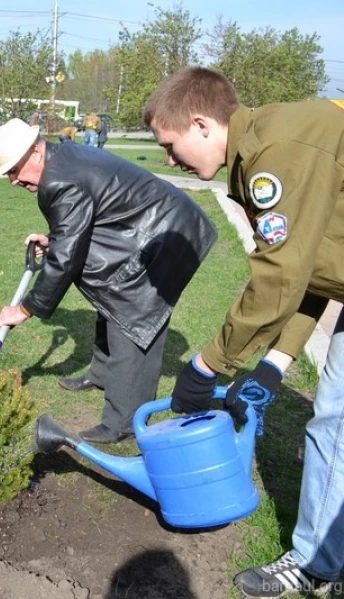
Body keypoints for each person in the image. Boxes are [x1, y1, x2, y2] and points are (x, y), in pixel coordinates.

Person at [145, 67, 344, 598]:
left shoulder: (279, 151)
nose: (169, 160)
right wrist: (274, 366)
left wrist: (208, 363)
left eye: (170, 145)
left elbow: (280, 275)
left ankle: (315, 565)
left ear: (202, 124)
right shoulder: (266, 145)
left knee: (336, 427)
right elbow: (317, 267)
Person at [0, 118, 217, 444]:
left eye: (13, 170)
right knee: (108, 294)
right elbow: (81, 226)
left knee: (133, 314)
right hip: (145, 227)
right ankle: (102, 375)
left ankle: (123, 421)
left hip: (168, 235)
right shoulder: (63, 159)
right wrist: (53, 241)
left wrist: (25, 309)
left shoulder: (59, 180)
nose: (12, 181)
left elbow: (67, 258)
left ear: (36, 152)